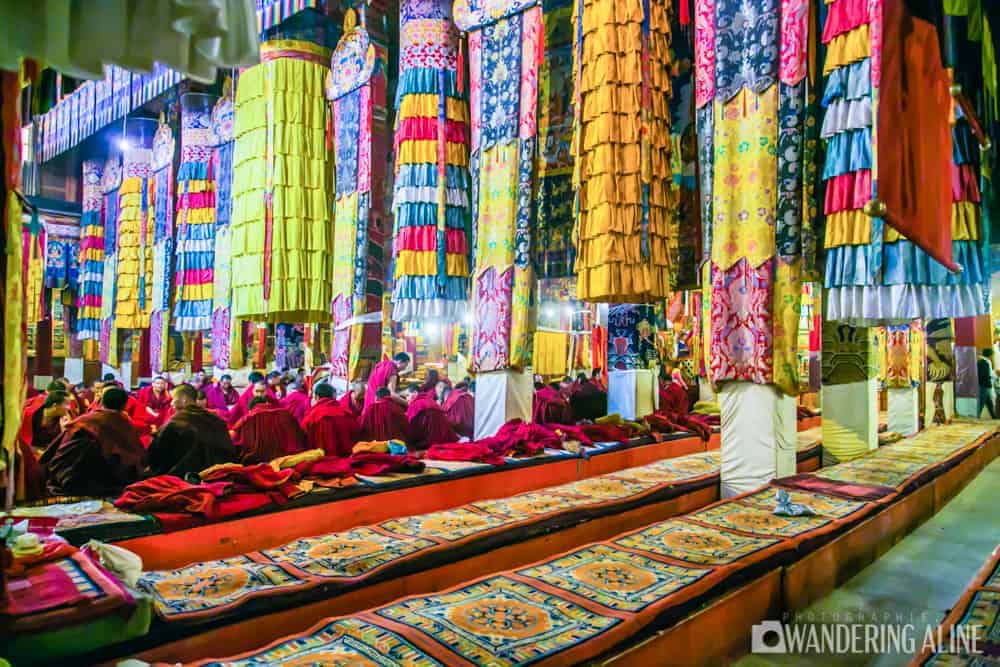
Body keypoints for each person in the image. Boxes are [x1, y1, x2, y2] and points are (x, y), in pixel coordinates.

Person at [40, 387, 147, 497]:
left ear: (102, 402)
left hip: (63, 474)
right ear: (124, 405)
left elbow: (56, 447)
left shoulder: (83, 420)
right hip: (100, 479)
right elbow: (136, 455)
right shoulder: (122, 423)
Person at [147, 384, 237, 478]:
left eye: (173, 399)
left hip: (184, 474)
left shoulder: (177, 422)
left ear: (184, 399)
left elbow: (156, 454)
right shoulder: (216, 419)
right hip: (219, 472)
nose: (171, 403)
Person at [232, 396, 307, 464]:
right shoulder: (286, 414)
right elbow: (300, 435)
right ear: (267, 403)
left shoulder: (246, 420)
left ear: (250, 409)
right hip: (291, 459)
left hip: (256, 462)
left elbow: (236, 443)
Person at [302, 383, 360, 456]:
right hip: (348, 459)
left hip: (321, 460)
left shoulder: (311, 416)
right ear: (334, 396)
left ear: (316, 397)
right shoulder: (347, 414)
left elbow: (304, 439)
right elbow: (356, 436)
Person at [404, 384, 457, 450]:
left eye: (407, 395)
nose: (406, 399)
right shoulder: (431, 401)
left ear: (415, 393)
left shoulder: (415, 405)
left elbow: (410, 428)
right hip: (446, 439)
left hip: (429, 443)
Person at [977, 348, 997, 419]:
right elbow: (983, 375)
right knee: (981, 403)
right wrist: (991, 377)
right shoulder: (984, 362)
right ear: (990, 355)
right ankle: (976, 417)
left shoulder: (985, 362)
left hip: (986, 386)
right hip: (984, 387)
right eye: (992, 355)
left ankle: (994, 417)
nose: (993, 356)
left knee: (990, 403)